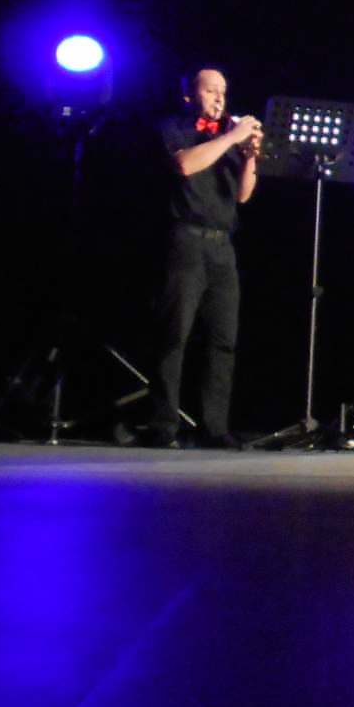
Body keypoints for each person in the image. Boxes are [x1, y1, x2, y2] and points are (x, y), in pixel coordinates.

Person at [146, 67, 262, 448]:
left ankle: (214, 427)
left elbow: (243, 196)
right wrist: (231, 138)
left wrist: (250, 157)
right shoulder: (174, 128)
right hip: (186, 240)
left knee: (222, 339)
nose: (219, 97)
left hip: (222, 246)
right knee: (174, 335)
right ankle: (163, 424)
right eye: (210, 90)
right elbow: (185, 165)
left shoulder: (227, 137)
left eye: (223, 91)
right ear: (189, 95)